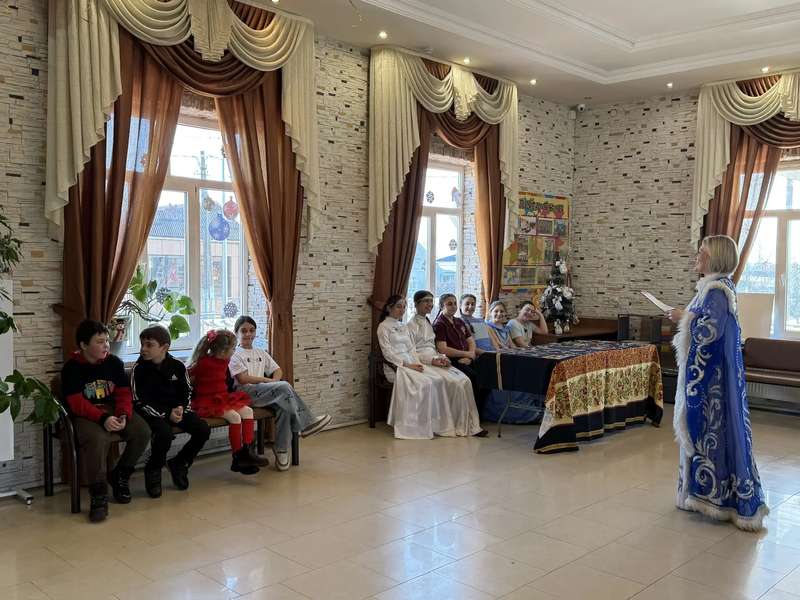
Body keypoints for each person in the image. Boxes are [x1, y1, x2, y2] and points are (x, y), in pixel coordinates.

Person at [667, 235, 768, 531]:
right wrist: (687, 316)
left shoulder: (716, 291)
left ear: (715, 258)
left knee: (711, 433)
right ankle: (699, 494)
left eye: (703, 252)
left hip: (712, 384)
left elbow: (708, 334)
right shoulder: (713, 288)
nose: (697, 255)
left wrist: (683, 317)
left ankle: (715, 499)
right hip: (713, 379)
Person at [60, 320, 151, 523]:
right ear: (84, 345)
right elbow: (76, 403)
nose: (106, 346)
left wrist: (123, 414)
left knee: (142, 431)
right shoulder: (71, 368)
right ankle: (98, 494)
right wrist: (103, 418)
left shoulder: (114, 363)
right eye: (100, 342)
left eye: (107, 341)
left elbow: (124, 393)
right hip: (86, 416)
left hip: (113, 410)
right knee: (97, 439)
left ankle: (120, 475)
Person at [230, 316, 332, 471]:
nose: (248, 334)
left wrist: (274, 383)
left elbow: (277, 370)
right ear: (236, 333)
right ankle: (306, 424)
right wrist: (269, 382)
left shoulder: (260, 352)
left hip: (264, 392)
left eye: (251, 330)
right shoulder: (235, 354)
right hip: (245, 394)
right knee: (284, 387)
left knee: (284, 407)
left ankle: (281, 450)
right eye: (243, 331)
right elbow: (243, 379)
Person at [377, 294, 485, 439]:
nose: (402, 310)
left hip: (417, 361)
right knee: (437, 382)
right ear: (389, 308)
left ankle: (464, 423)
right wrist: (411, 364)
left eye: (403, 307)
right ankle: (426, 425)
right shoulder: (386, 327)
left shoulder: (406, 325)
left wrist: (431, 360)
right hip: (398, 365)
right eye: (398, 307)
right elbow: (388, 352)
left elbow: (412, 350)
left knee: (464, 380)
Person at [131, 325, 211, 497]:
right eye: (142, 344)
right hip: (151, 413)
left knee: (203, 429)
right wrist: (168, 414)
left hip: (177, 410)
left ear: (164, 348)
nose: (143, 349)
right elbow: (139, 401)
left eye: (149, 345)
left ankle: (180, 463)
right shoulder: (139, 369)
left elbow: (187, 391)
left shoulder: (178, 366)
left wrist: (181, 408)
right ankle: (154, 468)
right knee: (164, 433)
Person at [188, 329, 267, 475]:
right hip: (208, 401)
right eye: (233, 348)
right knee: (235, 417)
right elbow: (188, 375)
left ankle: (248, 452)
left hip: (223, 398)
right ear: (223, 350)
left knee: (248, 411)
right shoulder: (203, 363)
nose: (234, 351)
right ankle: (237, 457)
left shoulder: (226, 360)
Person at [433, 293, 480, 391]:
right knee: (475, 379)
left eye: (455, 303)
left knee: (487, 376)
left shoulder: (459, 321)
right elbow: (443, 349)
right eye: (449, 304)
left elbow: (471, 341)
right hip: (453, 360)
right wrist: (467, 354)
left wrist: (470, 356)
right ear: (441, 306)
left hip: (468, 357)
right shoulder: (439, 324)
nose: (454, 306)